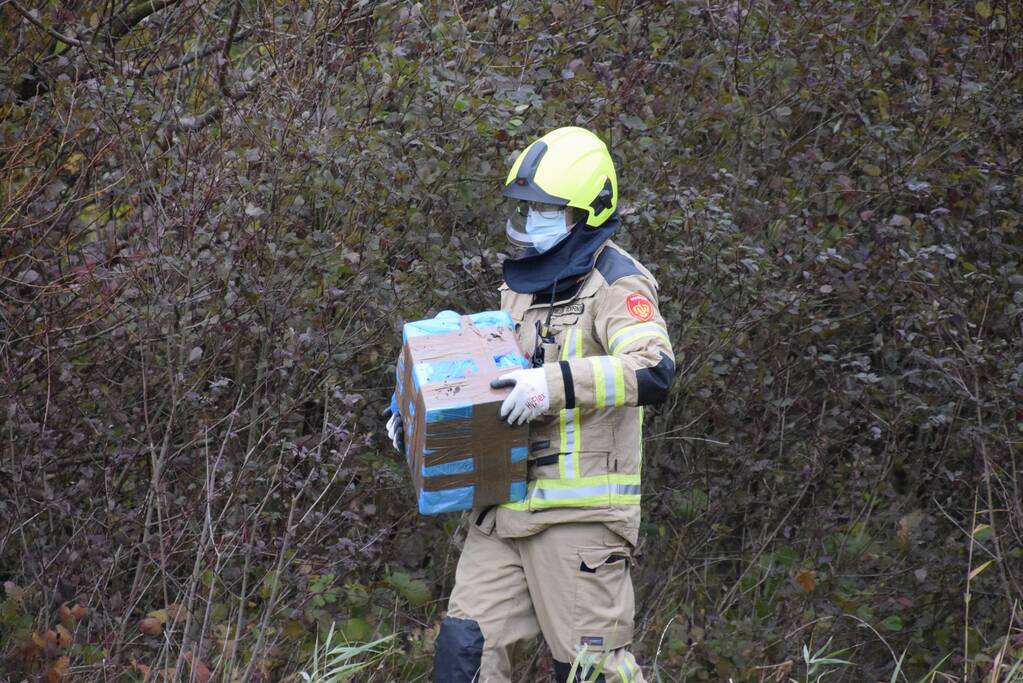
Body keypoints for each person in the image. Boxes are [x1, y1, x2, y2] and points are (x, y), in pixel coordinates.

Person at [387, 126, 675, 682]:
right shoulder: (523, 283)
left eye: (546, 209)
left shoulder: (617, 282)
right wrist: (421, 400)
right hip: (505, 511)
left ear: (589, 211)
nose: (529, 221)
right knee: (463, 656)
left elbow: (653, 368)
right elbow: (497, 375)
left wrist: (555, 384)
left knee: (592, 671)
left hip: (579, 522)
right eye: (525, 208)